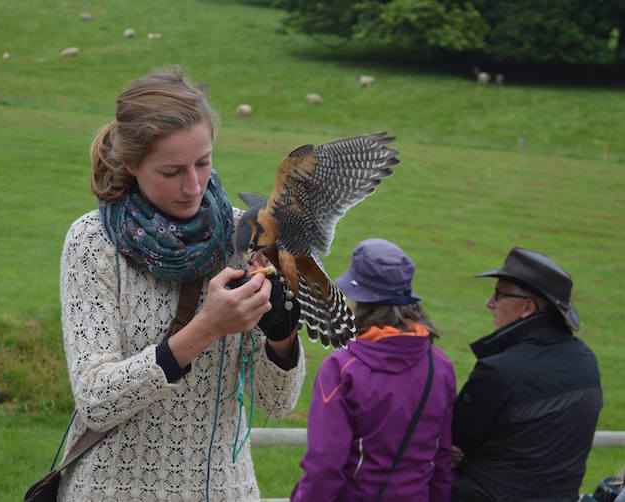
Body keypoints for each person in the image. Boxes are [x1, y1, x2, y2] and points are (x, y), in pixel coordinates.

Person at [57, 67, 305, 501]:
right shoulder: (92, 243)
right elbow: (96, 401)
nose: (193, 186)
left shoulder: (241, 235)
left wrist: (282, 337)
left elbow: (276, 403)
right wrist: (207, 327)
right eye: (172, 171)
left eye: (203, 163)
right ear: (132, 164)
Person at [291, 239, 456, 501]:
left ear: (360, 300)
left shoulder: (341, 370)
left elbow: (324, 466)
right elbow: (441, 459)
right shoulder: (442, 367)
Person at [452, 247, 603, 502]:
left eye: (499, 295)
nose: (489, 303)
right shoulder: (586, 361)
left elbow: (454, 440)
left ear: (527, 307)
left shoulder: (499, 371)